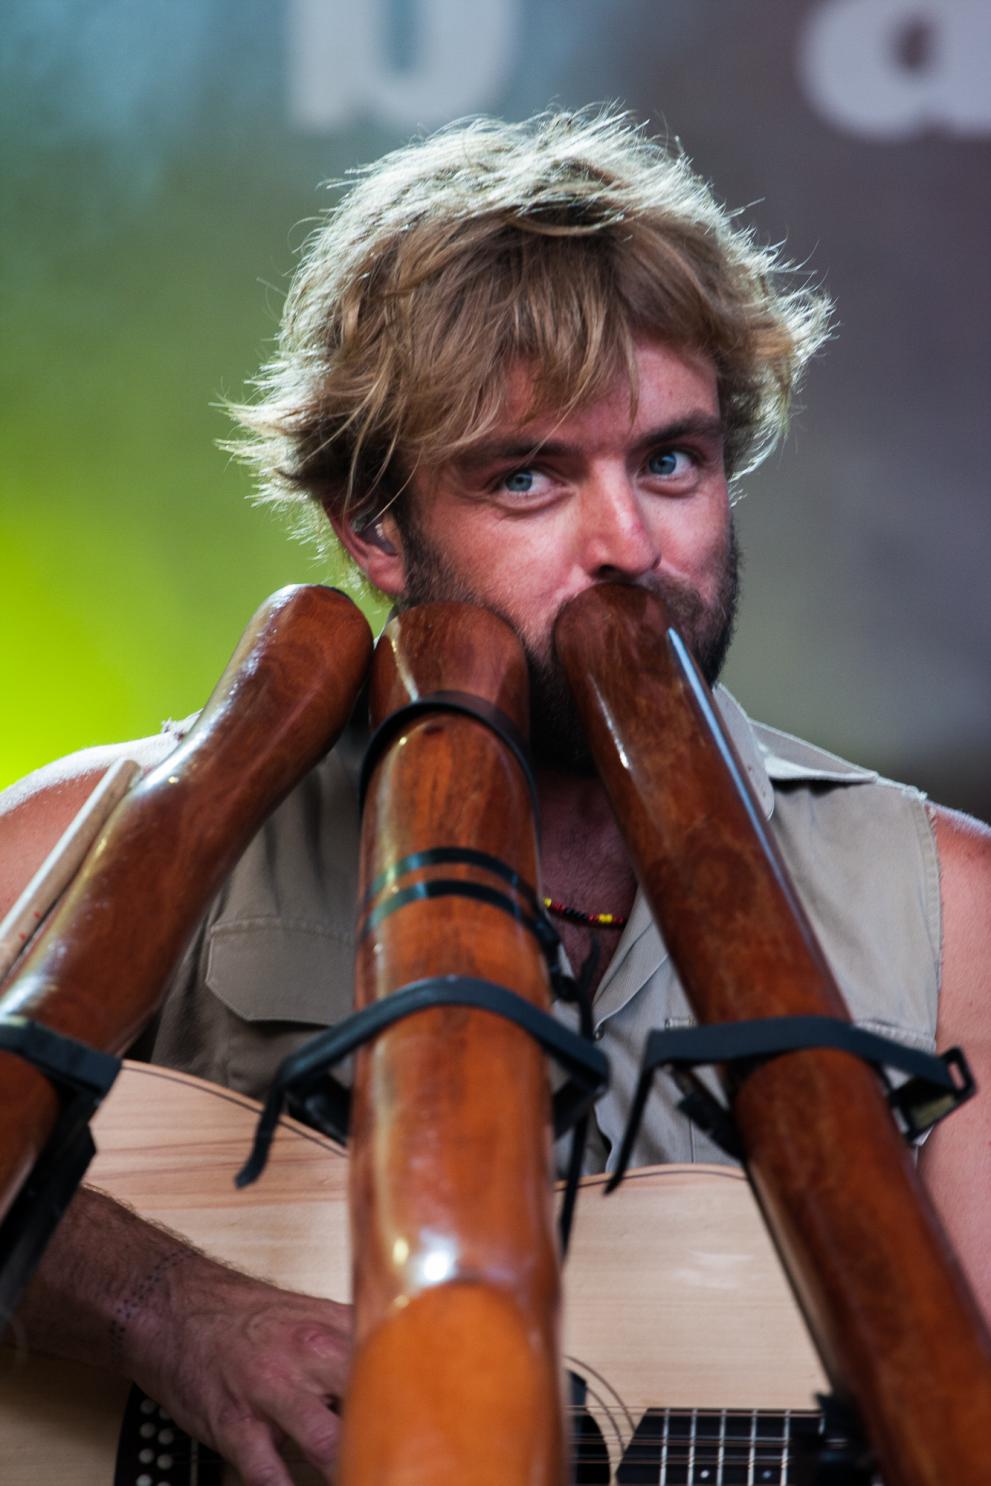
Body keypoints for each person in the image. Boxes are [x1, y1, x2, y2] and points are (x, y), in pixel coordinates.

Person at [1, 109, 988, 1484]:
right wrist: (165, 1311)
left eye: (671, 460)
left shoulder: (952, 913)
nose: (629, 544)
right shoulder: (84, 832)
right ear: (372, 526)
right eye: (528, 477)